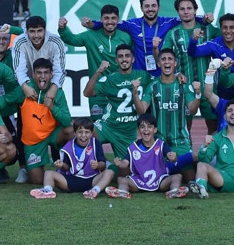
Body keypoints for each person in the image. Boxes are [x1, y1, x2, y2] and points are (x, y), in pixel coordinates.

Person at [83, 0, 210, 76]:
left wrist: (204, 20)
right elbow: (110, 23)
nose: (150, 9)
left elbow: (187, 16)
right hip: (140, 74)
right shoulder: (133, 24)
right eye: (147, 6)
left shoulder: (168, 22)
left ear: (158, 7)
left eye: (153, 6)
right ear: (141, 8)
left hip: (162, 73)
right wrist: (91, 24)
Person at [132, 49, 201, 179]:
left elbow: (192, 110)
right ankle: (172, 170)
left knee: (190, 178)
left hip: (181, 142)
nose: (167, 62)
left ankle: (178, 168)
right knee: (159, 177)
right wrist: (135, 93)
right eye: (163, 59)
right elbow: (141, 110)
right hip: (160, 143)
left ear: (175, 63)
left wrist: (198, 94)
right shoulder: (153, 86)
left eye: (170, 59)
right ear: (158, 63)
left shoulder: (182, 85)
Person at [3, 58, 73, 185]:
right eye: (39, 73)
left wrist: (52, 107)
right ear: (33, 75)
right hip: (33, 140)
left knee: (71, 131)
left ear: (51, 74)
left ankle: (71, 164)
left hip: (52, 134)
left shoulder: (58, 92)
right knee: (37, 180)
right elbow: (7, 99)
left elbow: (67, 120)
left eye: (46, 73)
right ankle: (50, 173)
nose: (42, 76)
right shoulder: (25, 90)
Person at [59, 5, 132, 119]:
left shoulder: (126, 37)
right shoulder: (91, 36)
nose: (110, 22)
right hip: (97, 90)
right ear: (101, 19)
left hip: (119, 88)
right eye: (106, 18)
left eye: (113, 18)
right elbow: (71, 39)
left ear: (118, 20)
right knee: (98, 125)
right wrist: (63, 28)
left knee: (119, 123)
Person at [161, 0, 221, 132]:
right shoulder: (172, 34)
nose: (186, 11)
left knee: (213, 125)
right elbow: (165, 58)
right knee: (185, 128)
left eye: (189, 8)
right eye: (182, 9)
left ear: (195, 11)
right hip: (184, 87)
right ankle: (187, 152)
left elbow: (228, 37)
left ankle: (211, 153)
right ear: (178, 12)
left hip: (208, 86)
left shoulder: (208, 29)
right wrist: (175, 73)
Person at [83, 45, 151, 162]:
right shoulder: (110, 79)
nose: (124, 59)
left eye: (127, 56)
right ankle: (93, 164)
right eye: (120, 56)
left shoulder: (144, 76)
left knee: (127, 168)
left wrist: (178, 75)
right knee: (85, 132)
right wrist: (98, 71)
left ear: (133, 59)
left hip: (127, 133)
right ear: (116, 60)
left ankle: (109, 166)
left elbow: (161, 80)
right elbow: (87, 93)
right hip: (107, 125)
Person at [103, 114, 187, 199]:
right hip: (139, 181)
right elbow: (125, 163)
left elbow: (172, 158)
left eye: (149, 126)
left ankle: (174, 191)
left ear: (155, 130)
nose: (146, 129)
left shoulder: (161, 144)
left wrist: (174, 158)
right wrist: (120, 163)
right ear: (139, 130)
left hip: (159, 181)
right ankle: (123, 192)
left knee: (177, 177)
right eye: (142, 127)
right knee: (121, 179)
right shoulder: (133, 147)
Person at [30, 118, 110, 199]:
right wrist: (62, 165)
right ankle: (47, 190)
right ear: (75, 133)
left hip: (92, 180)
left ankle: (95, 191)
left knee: (109, 172)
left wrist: (98, 165)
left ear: (91, 133)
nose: (83, 135)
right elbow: (67, 167)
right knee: (48, 173)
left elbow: (103, 165)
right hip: (71, 180)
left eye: (87, 132)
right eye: (80, 132)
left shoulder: (95, 143)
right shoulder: (69, 146)